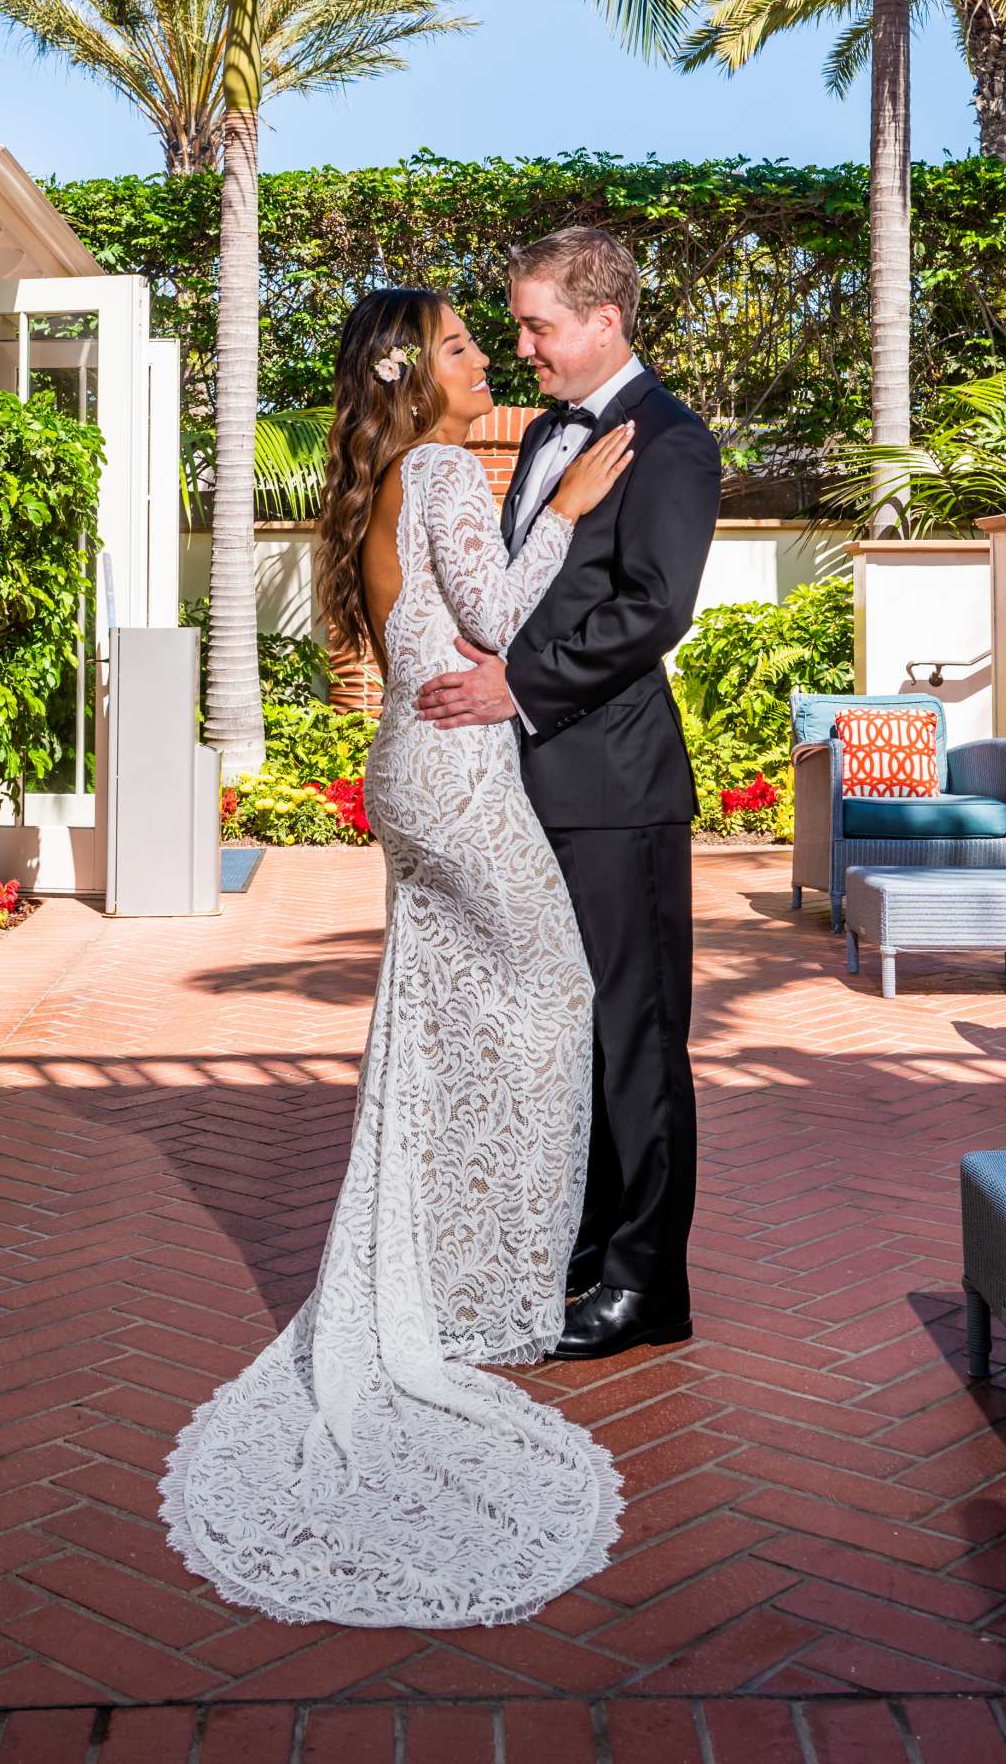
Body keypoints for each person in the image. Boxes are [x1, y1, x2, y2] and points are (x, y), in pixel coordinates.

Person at [160, 287, 634, 1628]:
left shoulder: (383, 482)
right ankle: (489, 1299)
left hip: (411, 771)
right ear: (409, 372)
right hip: (458, 774)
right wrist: (569, 509)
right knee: (554, 998)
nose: (485, 359)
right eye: (461, 345)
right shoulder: (434, 465)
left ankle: (446, 1274)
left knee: (441, 1021)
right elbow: (493, 620)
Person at [417, 228, 721, 1362]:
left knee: (637, 1038)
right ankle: (586, 1252)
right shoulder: (546, 431)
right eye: (520, 325)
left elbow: (652, 611)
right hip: (534, 780)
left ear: (606, 321)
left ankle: (651, 1288)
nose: (525, 346)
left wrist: (515, 686)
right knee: (572, 1031)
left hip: (618, 788)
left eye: (540, 325)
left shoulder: (677, 445)